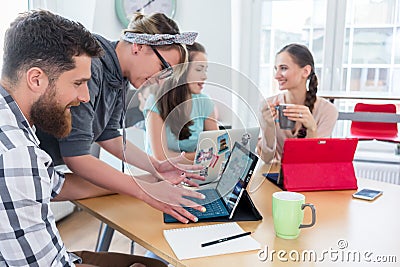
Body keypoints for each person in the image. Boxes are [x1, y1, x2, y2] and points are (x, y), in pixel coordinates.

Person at [0, 10, 182, 266]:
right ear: (36, 79)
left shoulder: (17, 129)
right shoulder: (18, 156)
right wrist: (144, 189)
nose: (85, 98)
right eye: (78, 83)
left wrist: (151, 175)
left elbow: (59, 183)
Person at [35, 11, 207, 225]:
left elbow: (109, 135)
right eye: (163, 69)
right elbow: (77, 157)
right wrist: (145, 191)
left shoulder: (120, 77)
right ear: (139, 46)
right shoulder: (92, 66)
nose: (161, 81)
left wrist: (155, 166)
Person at [257, 43, 338, 162]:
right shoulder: (268, 105)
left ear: (305, 71)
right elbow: (266, 158)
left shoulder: (327, 111)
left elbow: (316, 160)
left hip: (309, 175)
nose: (276, 76)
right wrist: (268, 127)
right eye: (276, 69)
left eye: (283, 68)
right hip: (278, 176)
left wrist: (312, 129)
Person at [144, 42, 219, 163]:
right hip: (160, 173)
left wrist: (203, 156)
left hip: (194, 171)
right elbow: (161, 157)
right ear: (182, 71)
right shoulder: (156, 102)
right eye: (199, 69)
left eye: (205, 70)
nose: (204, 77)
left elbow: (215, 149)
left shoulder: (205, 102)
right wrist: (200, 156)